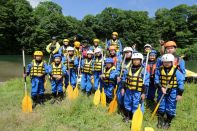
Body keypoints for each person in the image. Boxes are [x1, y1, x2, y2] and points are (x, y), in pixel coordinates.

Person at [155, 54, 184, 129]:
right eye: (165, 62)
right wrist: (161, 88)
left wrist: (180, 94)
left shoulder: (176, 71)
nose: (166, 63)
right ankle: (160, 120)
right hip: (162, 89)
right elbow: (156, 80)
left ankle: (168, 121)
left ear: (172, 62)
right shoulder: (159, 69)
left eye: (168, 62)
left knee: (171, 106)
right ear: (162, 62)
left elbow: (181, 82)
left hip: (173, 90)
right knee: (161, 105)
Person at [121, 53, 150, 122]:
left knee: (136, 104)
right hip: (128, 90)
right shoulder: (128, 69)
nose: (135, 61)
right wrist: (123, 88)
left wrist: (144, 93)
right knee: (127, 102)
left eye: (137, 60)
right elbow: (124, 79)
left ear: (141, 61)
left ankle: (136, 117)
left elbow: (146, 83)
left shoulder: (144, 70)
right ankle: (128, 116)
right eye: (134, 60)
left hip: (138, 91)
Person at [117, 47, 133, 114]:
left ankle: (127, 110)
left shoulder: (133, 61)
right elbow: (118, 69)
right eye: (125, 52)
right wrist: (118, 76)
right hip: (121, 81)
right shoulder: (121, 61)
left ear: (131, 53)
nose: (127, 54)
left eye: (128, 52)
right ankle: (121, 108)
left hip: (130, 82)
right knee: (120, 95)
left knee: (128, 97)